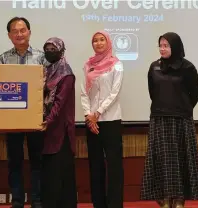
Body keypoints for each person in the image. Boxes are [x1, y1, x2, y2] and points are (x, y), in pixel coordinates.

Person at [140, 32, 198, 208]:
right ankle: (165, 198)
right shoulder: (154, 67)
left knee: (181, 159)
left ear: (175, 47)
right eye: (160, 45)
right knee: (162, 160)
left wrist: (182, 107)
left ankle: (180, 199)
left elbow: (195, 93)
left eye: (166, 45)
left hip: (181, 119)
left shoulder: (187, 67)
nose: (162, 49)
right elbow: (153, 92)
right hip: (159, 118)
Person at [0, 17, 45, 208]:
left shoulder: (42, 57)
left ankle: (37, 200)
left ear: (29, 32)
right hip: (12, 118)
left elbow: (50, 87)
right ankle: (17, 200)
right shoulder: (2, 59)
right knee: (14, 161)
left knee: (37, 161)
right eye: (15, 31)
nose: (19, 34)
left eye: (22, 30)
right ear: (9, 35)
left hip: (36, 118)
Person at [81, 31, 124, 208]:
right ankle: (98, 204)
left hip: (111, 120)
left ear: (108, 42)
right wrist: (88, 115)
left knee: (114, 167)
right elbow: (84, 92)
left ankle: (114, 204)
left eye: (101, 40)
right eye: (95, 41)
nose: (98, 43)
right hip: (92, 122)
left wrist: (97, 112)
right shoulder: (88, 65)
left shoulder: (117, 65)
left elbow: (115, 92)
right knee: (96, 166)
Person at [40, 37, 77, 208]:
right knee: (49, 174)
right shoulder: (47, 71)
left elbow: (60, 103)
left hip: (60, 131)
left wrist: (48, 120)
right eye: (46, 49)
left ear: (61, 51)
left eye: (53, 48)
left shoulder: (66, 74)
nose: (49, 52)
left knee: (60, 173)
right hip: (47, 130)